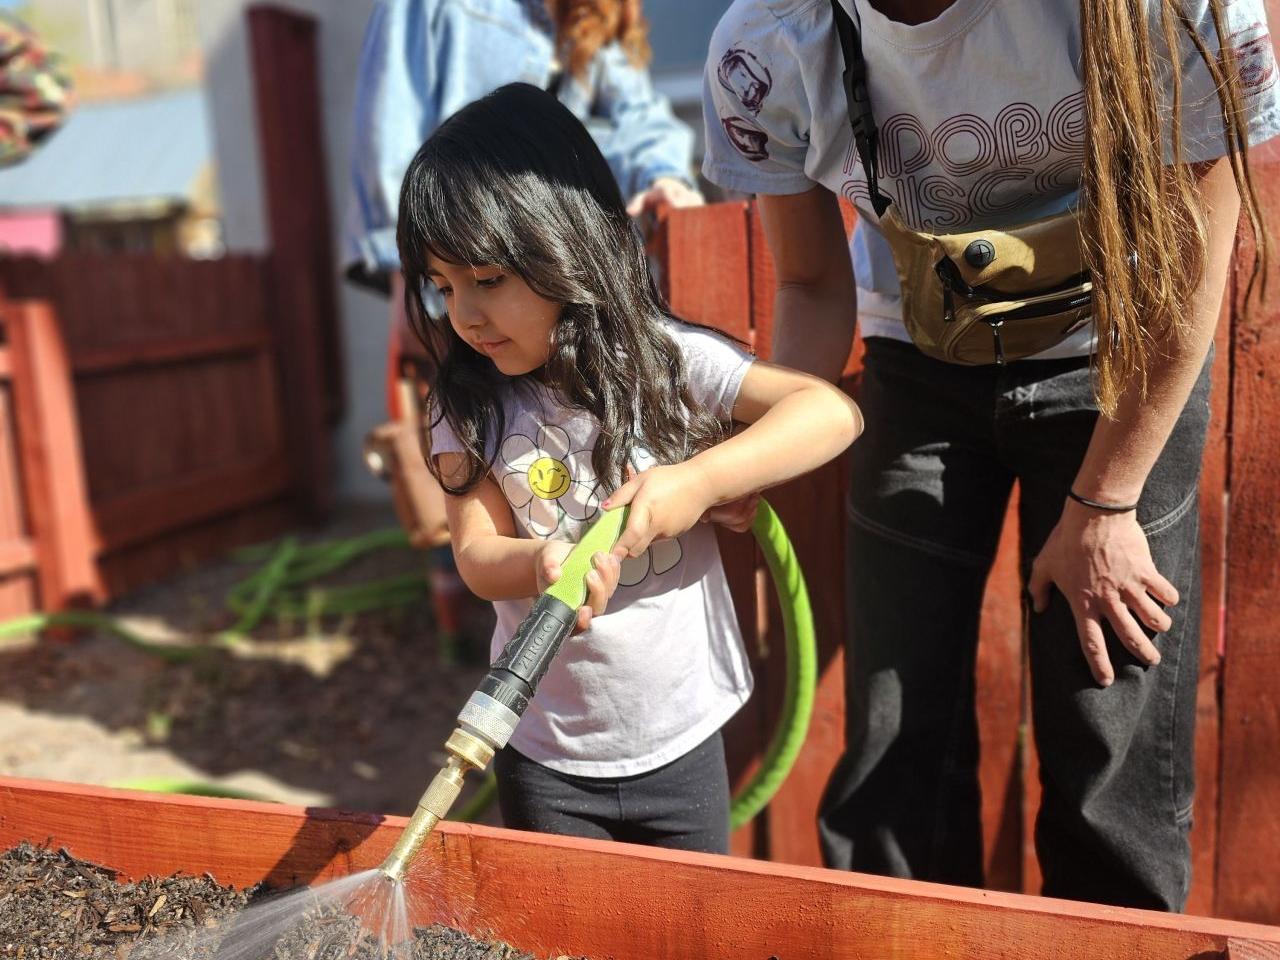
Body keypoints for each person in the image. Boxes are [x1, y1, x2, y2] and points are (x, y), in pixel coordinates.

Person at [702, 0, 1277, 910]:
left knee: (1107, 735)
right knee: (894, 742)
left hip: (1125, 362)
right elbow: (812, 282)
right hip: (918, 360)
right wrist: (755, 456)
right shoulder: (771, 41)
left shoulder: (1165, 10)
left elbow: (1192, 255)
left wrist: (1107, 503)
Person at [396, 82, 861, 852]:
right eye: (443, 287)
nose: (465, 316)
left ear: (563, 244)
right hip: (541, 746)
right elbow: (477, 558)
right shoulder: (465, 404)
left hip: (681, 740)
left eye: (487, 280)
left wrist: (704, 478)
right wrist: (542, 562)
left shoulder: (664, 364)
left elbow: (832, 414)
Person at [345, 0, 703, 655]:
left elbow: (638, 117)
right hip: (464, 263)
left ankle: (556, 611)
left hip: (558, 287)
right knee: (472, 457)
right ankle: (477, 636)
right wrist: (414, 273)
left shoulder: (587, 22)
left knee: (554, 454)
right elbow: (388, 128)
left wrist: (665, 177)